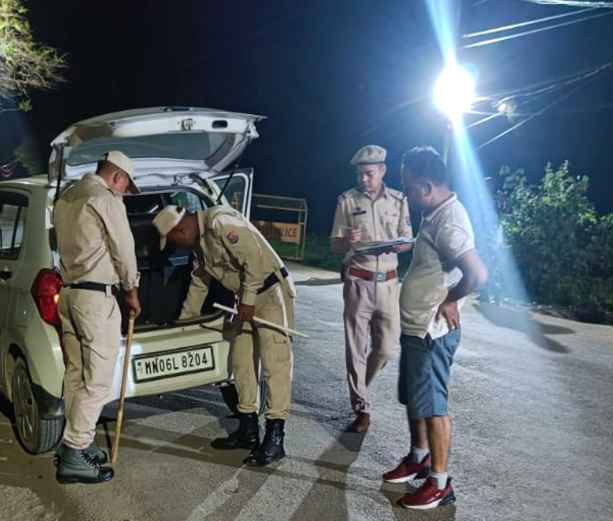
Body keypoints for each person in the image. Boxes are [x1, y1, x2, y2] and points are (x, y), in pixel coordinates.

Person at [383, 146, 488, 509]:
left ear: (426, 186)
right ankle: (419, 458)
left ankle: (440, 483)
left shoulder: (450, 222)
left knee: (434, 405)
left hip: (432, 331)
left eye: (409, 187)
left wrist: (451, 299)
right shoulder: (434, 212)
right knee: (415, 399)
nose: (406, 195)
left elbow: (477, 273)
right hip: (416, 327)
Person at [153, 203, 296, 466]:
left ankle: (276, 438)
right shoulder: (200, 244)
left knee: (275, 363)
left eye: (173, 240)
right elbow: (199, 284)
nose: (177, 247)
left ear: (181, 228)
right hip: (244, 301)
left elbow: (252, 258)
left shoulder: (220, 222)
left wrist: (248, 301)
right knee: (241, 363)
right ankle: (248, 429)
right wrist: (185, 326)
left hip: (269, 294)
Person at [52, 151, 142, 485]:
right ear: (118, 178)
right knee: (99, 379)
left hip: (70, 294)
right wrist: (132, 290)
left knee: (76, 374)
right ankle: (75, 452)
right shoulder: (105, 199)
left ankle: (75, 444)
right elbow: (123, 247)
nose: (123, 193)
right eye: (124, 187)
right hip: (95, 300)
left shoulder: (67, 197)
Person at [329, 145, 413, 433]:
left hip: (389, 283)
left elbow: (406, 241)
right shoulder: (347, 201)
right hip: (358, 281)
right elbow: (334, 245)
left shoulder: (400, 201)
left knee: (387, 348)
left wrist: (401, 244)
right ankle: (362, 408)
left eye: (368, 174)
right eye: (359, 174)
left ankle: (360, 385)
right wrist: (348, 242)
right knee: (356, 349)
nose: (363, 179)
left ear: (382, 171)